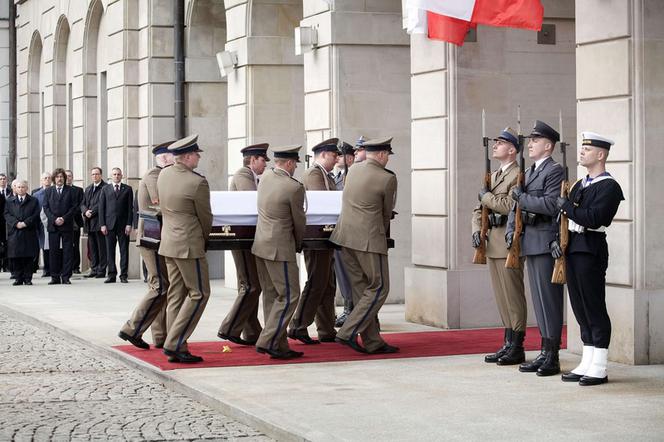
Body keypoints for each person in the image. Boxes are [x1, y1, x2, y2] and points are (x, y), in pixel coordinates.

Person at [555, 132, 624, 386]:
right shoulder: (579, 185)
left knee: (594, 307)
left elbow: (595, 218)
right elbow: (565, 219)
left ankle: (600, 365)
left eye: (587, 148)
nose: (582, 152)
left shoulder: (609, 187)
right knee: (580, 308)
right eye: (582, 148)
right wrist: (557, 241)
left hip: (590, 249)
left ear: (601, 154)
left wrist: (567, 206)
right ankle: (588, 360)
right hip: (573, 248)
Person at [506, 120, 564, 376]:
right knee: (539, 301)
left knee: (549, 300)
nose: (530, 144)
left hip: (544, 239)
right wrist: (510, 231)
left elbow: (552, 205)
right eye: (530, 140)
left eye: (536, 141)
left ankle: (552, 355)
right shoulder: (528, 173)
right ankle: (544, 351)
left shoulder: (554, 171)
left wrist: (522, 198)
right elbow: (514, 207)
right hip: (529, 240)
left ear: (549, 146)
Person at [331, 137, 398, 354]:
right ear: (380, 155)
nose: (387, 159)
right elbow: (386, 214)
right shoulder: (387, 178)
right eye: (387, 155)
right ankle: (348, 332)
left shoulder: (354, 171)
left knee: (361, 289)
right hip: (368, 239)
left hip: (344, 237)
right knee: (379, 287)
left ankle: (372, 341)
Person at [472, 127, 527, 365]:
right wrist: (476, 230)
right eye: (495, 142)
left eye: (501, 142)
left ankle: (517, 345)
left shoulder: (518, 175)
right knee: (501, 296)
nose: (495, 145)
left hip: (508, 241)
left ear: (512, 150)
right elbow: (478, 210)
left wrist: (485, 197)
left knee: (513, 296)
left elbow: (508, 205)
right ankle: (507, 341)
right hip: (491, 241)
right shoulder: (493, 176)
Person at [157, 134, 212, 363]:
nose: (198, 157)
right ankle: (176, 343)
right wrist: (204, 240)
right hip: (189, 244)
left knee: (176, 296)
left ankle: (176, 343)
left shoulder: (164, 174)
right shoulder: (197, 182)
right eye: (196, 154)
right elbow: (205, 217)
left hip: (168, 242)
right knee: (199, 293)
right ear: (187, 156)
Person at [119, 141, 174, 350]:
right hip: (152, 238)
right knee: (159, 285)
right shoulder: (154, 174)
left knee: (163, 286)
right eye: (172, 155)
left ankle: (160, 335)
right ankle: (132, 329)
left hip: (158, 238)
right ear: (165, 157)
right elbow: (158, 203)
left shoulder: (162, 175)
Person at [252, 145, 306, 360]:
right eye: (295, 165)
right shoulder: (293, 187)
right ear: (291, 163)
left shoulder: (265, 177)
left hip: (261, 244)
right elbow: (299, 221)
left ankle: (279, 344)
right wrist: (299, 244)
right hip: (280, 247)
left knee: (272, 296)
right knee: (291, 294)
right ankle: (268, 340)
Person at [217, 143, 269, 346]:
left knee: (251, 285)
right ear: (253, 159)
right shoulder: (243, 175)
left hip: (247, 237)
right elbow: (254, 201)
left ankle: (252, 331)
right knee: (250, 285)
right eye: (263, 160)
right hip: (242, 238)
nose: (265, 164)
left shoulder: (251, 176)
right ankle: (229, 328)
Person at [288, 138, 339, 345]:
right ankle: (298, 325)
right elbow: (323, 203)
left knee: (327, 283)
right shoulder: (314, 174)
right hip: (316, 236)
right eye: (334, 155)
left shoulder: (326, 175)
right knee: (317, 282)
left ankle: (326, 329)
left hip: (326, 236)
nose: (337, 159)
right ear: (324, 154)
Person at [333, 141, 357, 327]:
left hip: (351, 232)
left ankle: (352, 310)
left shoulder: (353, 176)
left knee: (352, 274)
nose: (336, 158)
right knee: (341, 273)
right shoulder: (336, 177)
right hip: (338, 231)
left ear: (349, 158)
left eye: (339, 155)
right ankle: (348, 308)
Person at [42, 168, 79, 285]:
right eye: (57, 177)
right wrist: (54, 219)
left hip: (67, 225)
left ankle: (66, 277)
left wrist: (64, 218)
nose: (59, 179)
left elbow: (74, 207)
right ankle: (55, 277)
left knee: (68, 252)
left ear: (64, 178)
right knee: (54, 252)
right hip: (53, 226)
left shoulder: (71, 191)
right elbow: (46, 208)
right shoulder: (48, 191)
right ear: (54, 179)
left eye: (61, 177)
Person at [99, 167, 134, 283]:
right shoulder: (105, 189)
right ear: (111, 176)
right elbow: (101, 208)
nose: (117, 176)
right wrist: (102, 224)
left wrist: (129, 224)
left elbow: (130, 209)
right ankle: (111, 275)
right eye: (114, 174)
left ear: (122, 176)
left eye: (119, 174)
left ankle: (123, 275)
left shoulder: (128, 189)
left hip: (123, 226)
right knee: (110, 250)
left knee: (124, 251)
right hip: (109, 225)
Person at [4, 180, 40, 285]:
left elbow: (36, 214)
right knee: (16, 256)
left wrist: (25, 223)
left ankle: (28, 278)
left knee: (28, 256)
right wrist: (16, 223)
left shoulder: (33, 200)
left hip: (28, 231)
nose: (21, 189)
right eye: (19, 187)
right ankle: (18, 278)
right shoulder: (10, 201)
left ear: (27, 188)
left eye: (23, 187)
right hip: (15, 232)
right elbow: (7, 214)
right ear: (15, 188)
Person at [81, 167, 107, 278]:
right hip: (89, 222)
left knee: (101, 247)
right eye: (93, 174)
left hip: (99, 221)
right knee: (92, 248)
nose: (94, 176)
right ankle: (94, 268)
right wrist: (85, 211)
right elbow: (82, 203)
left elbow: (103, 203)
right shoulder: (88, 189)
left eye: (97, 174)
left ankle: (101, 270)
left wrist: (92, 211)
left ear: (101, 175)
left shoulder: (105, 188)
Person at [32, 172, 52, 277]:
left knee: (53, 246)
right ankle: (46, 269)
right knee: (44, 247)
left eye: (49, 178)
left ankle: (54, 268)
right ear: (41, 180)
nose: (47, 180)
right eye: (45, 178)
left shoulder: (54, 191)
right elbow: (34, 210)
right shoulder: (36, 194)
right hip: (41, 225)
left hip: (53, 223)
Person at [65, 170, 85, 274]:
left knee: (75, 245)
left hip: (75, 222)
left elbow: (81, 204)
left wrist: (71, 211)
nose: (68, 178)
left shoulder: (78, 190)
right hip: (63, 222)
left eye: (69, 176)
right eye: (66, 176)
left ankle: (75, 266)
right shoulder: (60, 189)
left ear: (72, 177)